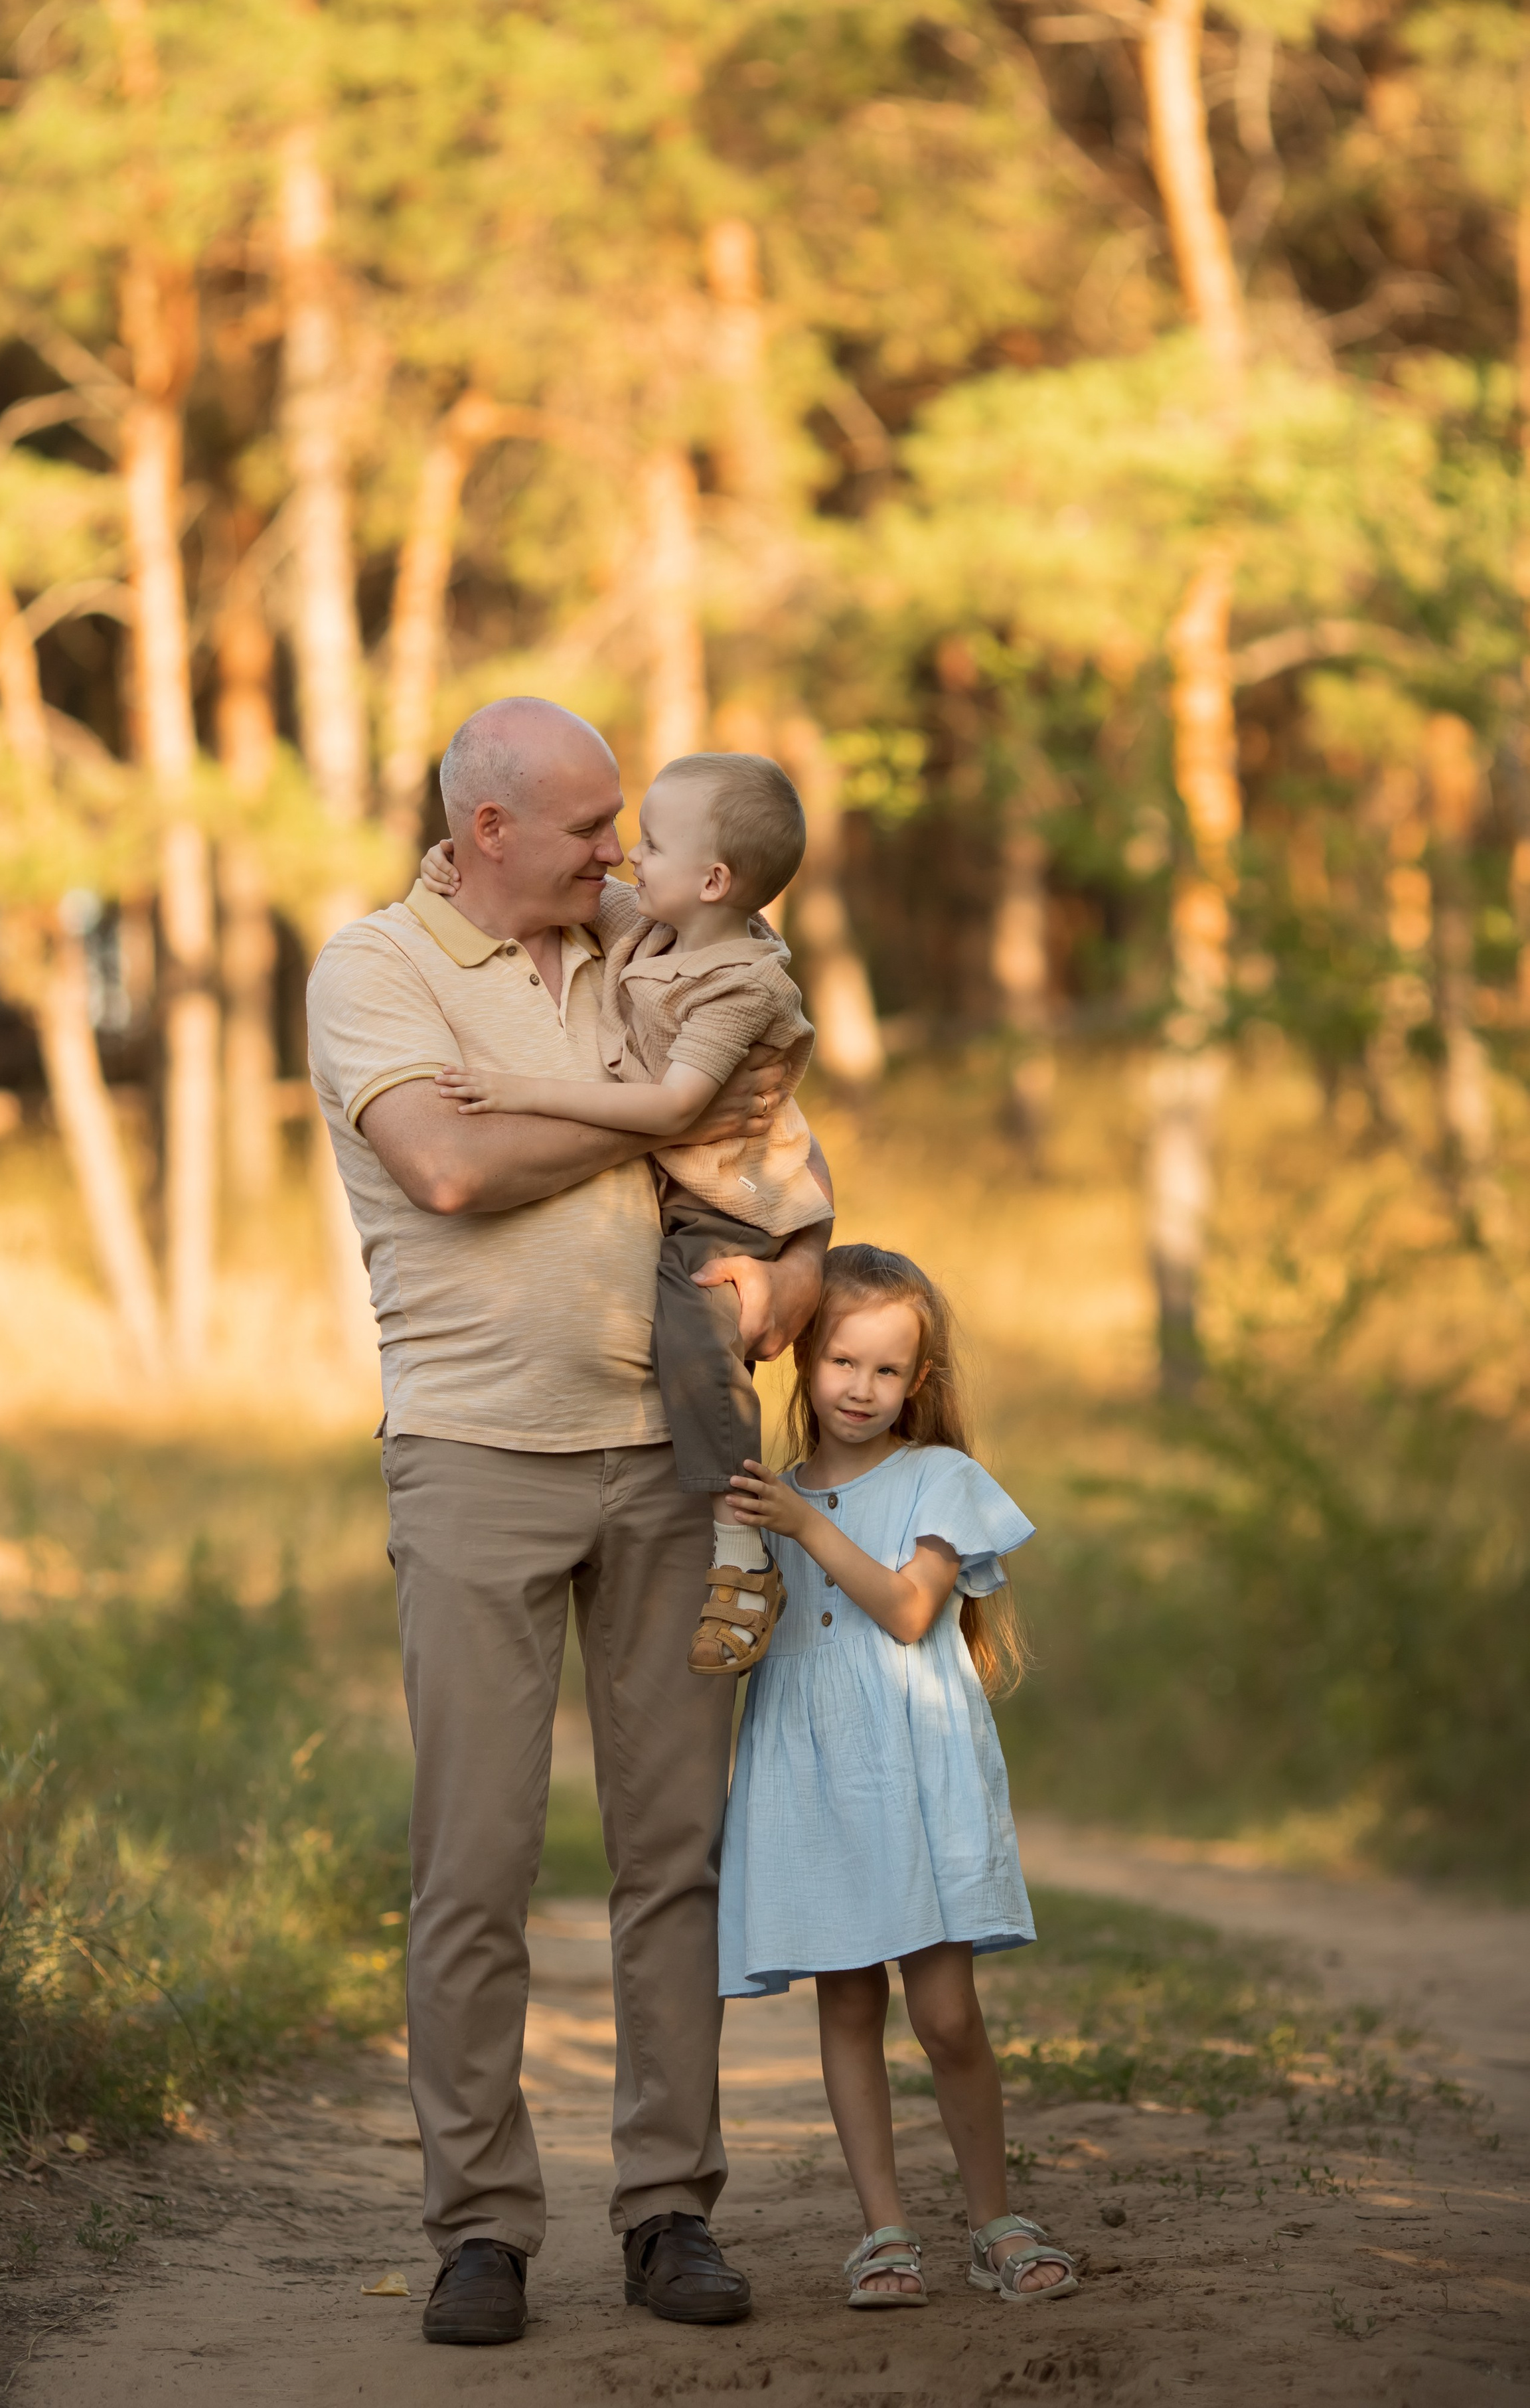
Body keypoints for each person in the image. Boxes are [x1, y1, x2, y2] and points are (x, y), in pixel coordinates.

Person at [305, 696, 830, 2348]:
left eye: (626, 824)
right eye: (590, 825)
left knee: (670, 1856)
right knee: (475, 1859)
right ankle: (479, 2227)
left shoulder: (665, 939)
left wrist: (782, 1283)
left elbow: (792, 1194)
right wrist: (653, 1118)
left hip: (675, 1459)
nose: (617, 849)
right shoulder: (373, 967)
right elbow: (440, 1170)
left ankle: (670, 2205)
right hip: (475, 1453)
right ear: (486, 832)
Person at [718, 1244, 1082, 2309]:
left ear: (916, 1381)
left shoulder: (937, 1479)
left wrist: (804, 1528)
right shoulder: (769, 1496)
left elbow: (912, 1609)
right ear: (802, 1362)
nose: (862, 1389)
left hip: (912, 1771)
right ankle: (884, 2230)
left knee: (947, 2014)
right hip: (813, 1768)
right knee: (846, 2006)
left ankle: (993, 2217)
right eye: (842, 1361)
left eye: (887, 1369)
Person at [420, 750, 833, 1680]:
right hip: (688, 1191)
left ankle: (743, 1537)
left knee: (691, 1316)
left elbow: (677, 1108)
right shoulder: (655, 927)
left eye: (649, 841)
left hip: (732, 1198)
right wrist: (445, 866)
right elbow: (535, 890)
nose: (624, 859)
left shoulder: (739, 985)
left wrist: (517, 1090)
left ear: (714, 880)